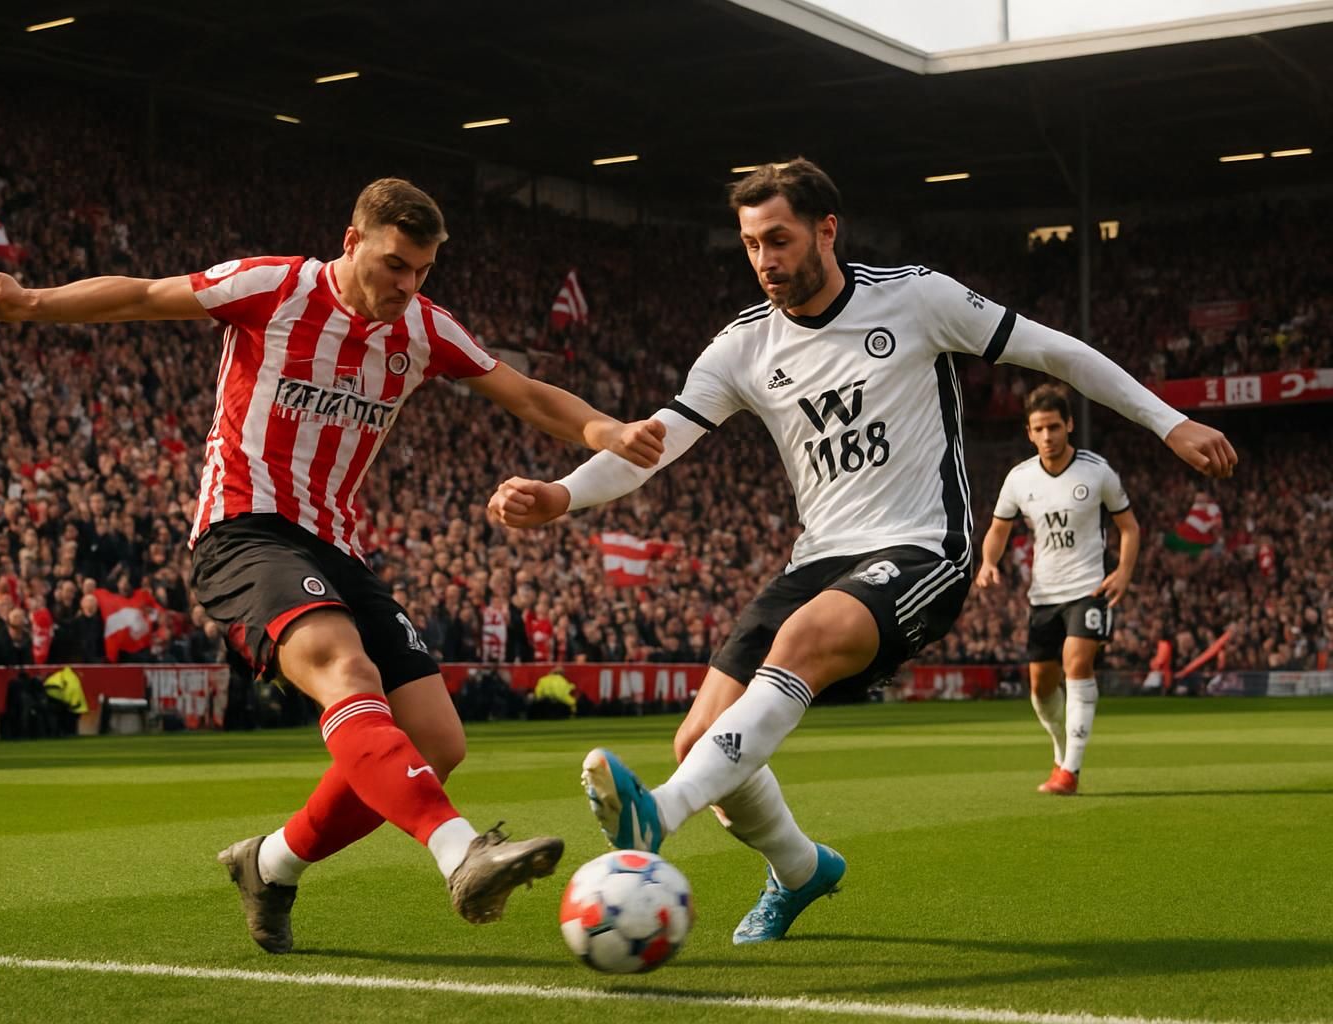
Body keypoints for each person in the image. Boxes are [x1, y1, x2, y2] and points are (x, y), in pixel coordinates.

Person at [488, 159, 1236, 945]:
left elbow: (1060, 354)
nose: (766, 259)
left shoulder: (916, 297)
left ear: (827, 229)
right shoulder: (742, 346)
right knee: (699, 741)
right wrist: (564, 493)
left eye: (779, 239)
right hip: (817, 559)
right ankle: (802, 869)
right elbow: (659, 440)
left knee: (798, 645)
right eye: (750, 245)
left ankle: (659, 812)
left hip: (924, 548)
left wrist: (1168, 421)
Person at [0, 176, 665, 952]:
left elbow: (524, 392)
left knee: (438, 741)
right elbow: (143, 294)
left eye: (422, 271)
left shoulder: (425, 330)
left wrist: (604, 429)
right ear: (353, 240)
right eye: (395, 264)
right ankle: (461, 852)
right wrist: (31, 302)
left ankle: (268, 865)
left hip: (336, 544)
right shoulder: (275, 286)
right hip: (243, 528)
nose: (407, 285)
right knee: (345, 669)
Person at [976, 384, 1140, 795]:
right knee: (1040, 686)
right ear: (1029, 433)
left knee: (1077, 664)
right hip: (1043, 595)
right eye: (1039, 429)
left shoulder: (1096, 471)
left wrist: (1123, 571)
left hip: (1089, 587)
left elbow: (1129, 527)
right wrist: (989, 562)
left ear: (1069, 425)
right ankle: (1060, 752)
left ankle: (1070, 771)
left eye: (1054, 426)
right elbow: (998, 528)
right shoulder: (1019, 479)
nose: (1047, 436)